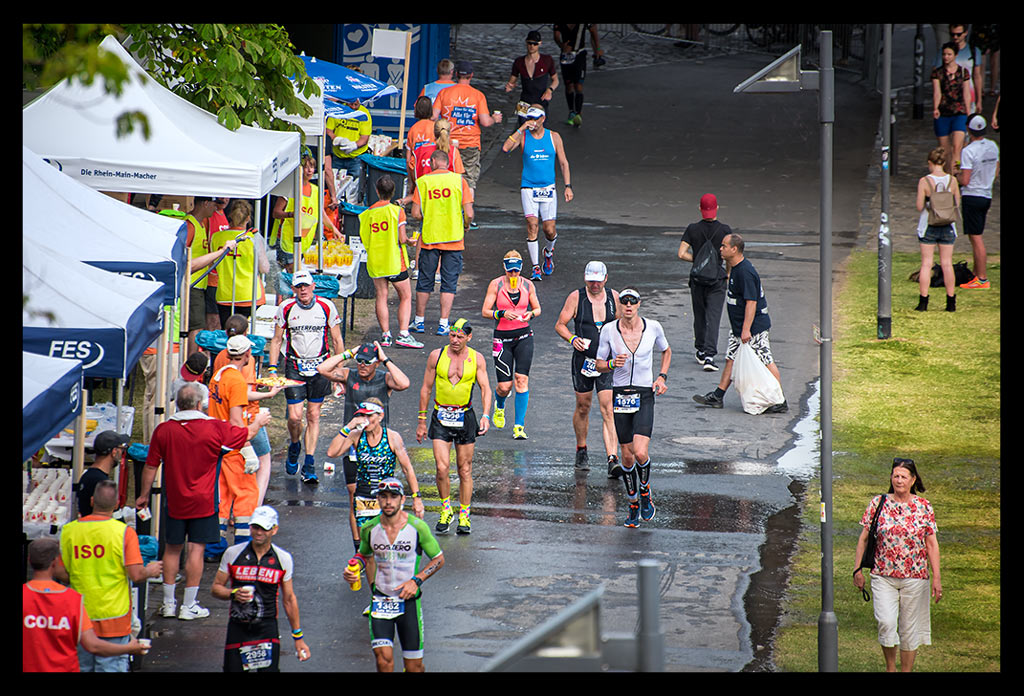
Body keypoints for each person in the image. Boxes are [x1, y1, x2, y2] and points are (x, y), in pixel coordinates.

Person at [137, 382, 271, 621]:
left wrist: (144, 494)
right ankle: (188, 605)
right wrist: (259, 421)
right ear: (199, 404)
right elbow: (245, 435)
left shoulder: (164, 430)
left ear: (178, 404)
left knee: (171, 549)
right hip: (204, 500)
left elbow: (150, 465)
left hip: (175, 499)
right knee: (196, 550)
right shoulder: (215, 428)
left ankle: (168, 603)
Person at [58, 480, 162, 671]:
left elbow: (62, 573)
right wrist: (151, 570)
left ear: (91, 501)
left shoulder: (69, 531)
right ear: (116, 505)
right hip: (115, 616)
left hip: (80, 615)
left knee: (81, 666)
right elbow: (136, 574)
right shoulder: (123, 533)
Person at [318, 341, 412, 553]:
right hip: (353, 445)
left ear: (376, 363)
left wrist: (386, 358)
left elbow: (404, 383)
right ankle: (359, 547)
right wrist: (350, 352)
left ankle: (383, 541)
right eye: (359, 361)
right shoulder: (349, 375)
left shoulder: (384, 378)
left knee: (383, 495)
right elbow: (322, 369)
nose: (361, 365)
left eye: (366, 362)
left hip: (379, 446)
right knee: (355, 498)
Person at [344, 478, 444, 673]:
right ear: (378, 500)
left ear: (402, 499)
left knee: (414, 667)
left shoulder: (417, 527)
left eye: (393, 497)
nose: (388, 502)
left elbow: (438, 559)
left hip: (408, 603)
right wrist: (353, 567)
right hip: (381, 601)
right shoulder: (369, 528)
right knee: (384, 661)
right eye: (383, 497)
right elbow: (364, 554)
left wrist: (416, 581)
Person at [853, 458, 941, 672]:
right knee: (886, 622)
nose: (899, 480)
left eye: (903, 476)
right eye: (895, 476)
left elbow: (931, 544)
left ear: (912, 480)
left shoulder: (923, 506)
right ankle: (890, 667)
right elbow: (863, 538)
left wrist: (936, 578)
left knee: (909, 629)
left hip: (915, 576)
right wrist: (857, 569)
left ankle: (906, 671)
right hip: (883, 575)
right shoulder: (878, 503)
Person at [595, 289, 671, 527]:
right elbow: (598, 364)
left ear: (639, 304)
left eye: (633, 302)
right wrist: (610, 364)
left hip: (644, 394)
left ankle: (645, 491)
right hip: (620, 395)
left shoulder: (653, 327)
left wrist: (662, 377)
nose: (628, 306)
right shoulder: (609, 330)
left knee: (640, 452)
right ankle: (633, 504)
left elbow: (666, 351)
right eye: (624, 302)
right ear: (619, 305)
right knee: (626, 458)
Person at [693, 234, 787, 413]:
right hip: (739, 328)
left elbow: (752, 302)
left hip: (753, 329)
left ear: (734, 249)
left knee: (766, 360)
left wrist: (746, 330)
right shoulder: (735, 268)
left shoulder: (745, 272)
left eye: (723, 246)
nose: (720, 249)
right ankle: (718, 396)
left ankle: (780, 400)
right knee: (731, 359)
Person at [205, 335, 280, 561]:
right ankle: (243, 547)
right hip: (234, 447)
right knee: (247, 496)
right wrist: (249, 445)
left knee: (224, 498)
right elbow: (237, 421)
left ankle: (214, 548)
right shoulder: (236, 381)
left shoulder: (218, 376)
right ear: (247, 354)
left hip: (218, 444)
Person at [23, 538, 148, 672]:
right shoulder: (72, 599)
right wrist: (128, 648)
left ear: (29, 560)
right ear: (56, 561)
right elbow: (93, 646)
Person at [268, 269, 345, 484]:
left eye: (306, 286)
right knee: (294, 417)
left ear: (313, 287)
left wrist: (338, 370)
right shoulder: (286, 308)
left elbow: (337, 340)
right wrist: (273, 368)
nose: (303, 290)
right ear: (293, 289)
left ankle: (309, 463)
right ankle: (295, 444)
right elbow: (276, 339)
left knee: (313, 415)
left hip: (321, 366)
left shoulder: (326, 306)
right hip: (294, 365)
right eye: (298, 287)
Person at [211, 505, 312, 671]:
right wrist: (233, 593)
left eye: (264, 529)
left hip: (267, 629)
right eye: (255, 527)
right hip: (238, 626)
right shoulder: (233, 553)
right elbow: (216, 588)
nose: (259, 533)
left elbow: (289, 599)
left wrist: (298, 637)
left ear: (274, 530)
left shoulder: (283, 558)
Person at [326, 396, 425, 565]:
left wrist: (417, 497)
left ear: (380, 416)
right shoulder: (356, 435)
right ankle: (369, 571)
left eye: (370, 416)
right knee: (367, 544)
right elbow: (332, 453)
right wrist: (349, 426)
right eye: (362, 416)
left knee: (389, 541)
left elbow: (407, 468)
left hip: (388, 496)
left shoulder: (392, 437)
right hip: (364, 497)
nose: (366, 420)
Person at [416, 318, 492, 535]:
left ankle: (465, 515)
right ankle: (446, 509)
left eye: (460, 336)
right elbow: (425, 388)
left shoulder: (476, 358)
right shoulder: (436, 356)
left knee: (464, 469)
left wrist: (486, 415)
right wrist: (422, 421)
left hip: (465, 417)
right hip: (441, 416)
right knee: (441, 468)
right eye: (452, 335)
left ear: (469, 337)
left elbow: (485, 388)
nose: (455, 340)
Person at [553, 261, 622, 475]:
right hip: (583, 360)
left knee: (607, 408)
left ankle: (612, 458)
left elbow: (622, 324)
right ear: (585, 279)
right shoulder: (576, 297)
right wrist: (573, 339)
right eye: (591, 281)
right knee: (583, 406)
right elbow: (560, 325)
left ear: (605, 279)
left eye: (598, 281)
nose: (595, 285)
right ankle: (581, 448)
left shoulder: (614, 298)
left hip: (606, 362)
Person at [501, 105, 573, 281]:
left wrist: (568, 186)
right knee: (532, 225)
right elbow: (505, 148)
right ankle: (535, 267)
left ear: (543, 118)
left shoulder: (553, 137)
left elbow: (564, 163)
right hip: (528, 187)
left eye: (535, 118)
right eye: (529, 118)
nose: (532, 122)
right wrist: (521, 128)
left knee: (549, 229)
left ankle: (548, 253)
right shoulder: (524, 136)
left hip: (548, 188)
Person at [214, 316, 278, 506]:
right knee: (263, 460)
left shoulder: (219, 357)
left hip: (221, 419)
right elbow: (246, 394)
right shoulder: (245, 364)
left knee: (231, 467)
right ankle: (253, 507)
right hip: (246, 418)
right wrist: (269, 395)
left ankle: (232, 507)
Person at [410, 149, 474, 336]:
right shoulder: (459, 181)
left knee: (425, 281)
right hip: (454, 239)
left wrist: (428, 217)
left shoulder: (423, 182)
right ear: (448, 164)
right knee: (449, 283)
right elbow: (469, 213)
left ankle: (419, 321)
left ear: (431, 163)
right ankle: (444, 323)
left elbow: (415, 213)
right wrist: (465, 225)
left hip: (430, 238)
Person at [480, 250, 541, 440]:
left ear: (521, 269)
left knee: (521, 380)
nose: (513, 275)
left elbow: (537, 308)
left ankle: (519, 426)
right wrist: (501, 314)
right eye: (510, 271)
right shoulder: (496, 284)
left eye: (516, 271)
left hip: (523, 335)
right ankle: (500, 405)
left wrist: (531, 314)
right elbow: (485, 311)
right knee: (504, 386)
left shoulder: (528, 285)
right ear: (505, 269)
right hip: (502, 338)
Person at [359, 174, 423, 349]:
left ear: (377, 191)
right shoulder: (397, 211)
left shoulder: (367, 214)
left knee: (381, 296)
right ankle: (403, 333)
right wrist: (409, 241)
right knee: (406, 296)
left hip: (376, 261)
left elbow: (365, 239)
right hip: (395, 260)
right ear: (393, 192)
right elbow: (401, 238)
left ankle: (385, 335)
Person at [432, 60, 504, 196]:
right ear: (471, 75)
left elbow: (433, 117)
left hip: (447, 143)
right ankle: (467, 212)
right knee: (469, 180)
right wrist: (494, 119)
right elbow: (485, 122)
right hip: (470, 144)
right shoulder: (478, 95)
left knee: (447, 177)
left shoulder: (443, 93)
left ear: (456, 74)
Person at [677, 193, 731, 371]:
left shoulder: (692, 229)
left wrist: (700, 261)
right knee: (713, 317)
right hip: (717, 279)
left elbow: (681, 253)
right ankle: (709, 356)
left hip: (698, 279)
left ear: (700, 209)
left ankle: (700, 349)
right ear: (717, 208)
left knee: (699, 315)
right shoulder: (724, 230)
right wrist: (727, 273)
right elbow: (729, 256)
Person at [271, 149, 337, 270]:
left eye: (312, 167)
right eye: (306, 167)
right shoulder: (290, 188)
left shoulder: (316, 190)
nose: (310, 170)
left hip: (305, 242)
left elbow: (321, 214)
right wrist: (291, 214)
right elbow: (276, 213)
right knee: (290, 274)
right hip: (288, 240)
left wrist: (334, 230)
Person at [914, 148, 962, 312]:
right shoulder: (952, 181)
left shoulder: (924, 182)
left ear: (930, 163)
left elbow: (919, 206)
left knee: (926, 264)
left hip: (929, 224)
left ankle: (923, 301)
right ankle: (950, 302)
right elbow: (957, 203)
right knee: (947, 264)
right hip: (948, 225)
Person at [956, 114, 999, 290]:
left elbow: (965, 179)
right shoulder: (992, 146)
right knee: (977, 234)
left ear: (968, 129)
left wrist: (955, 175)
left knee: (976, 237)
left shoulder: (968, 151)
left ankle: (982, 278)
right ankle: (976, 274)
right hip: (986, 194)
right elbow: (996, 169)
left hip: (972, 195)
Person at [211, 200, 269, 326]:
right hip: (250, 293)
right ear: (248, 218)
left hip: (225, 293)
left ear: (230, 216)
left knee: (228, 331)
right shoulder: (253, 238)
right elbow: (265, 268)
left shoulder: (216, 237)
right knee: (247, 333)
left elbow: (213, 267)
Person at [932, 41, 974, 174]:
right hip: (944, 112)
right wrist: (935, 108)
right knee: (945, 150)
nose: (946, 57)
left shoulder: (963, 72)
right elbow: (937, 92)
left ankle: (955, 175)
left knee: (957, 147)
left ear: (955, 55)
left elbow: (966, 93)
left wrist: (968, 111)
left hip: (959, 112)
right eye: (944, 54)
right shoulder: (937, 73)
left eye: (949, 54)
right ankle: (947, 175)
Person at [552, 24, 603, 128]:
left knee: (578, 85)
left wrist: (597, 50)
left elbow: (594, 32)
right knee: (569, 85)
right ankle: (571, 111)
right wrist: (562, 45)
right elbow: (556, 36)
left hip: (580, 54)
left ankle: (578, 114)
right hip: (566, 55)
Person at [505, 30, 560, 125]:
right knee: (522, 129)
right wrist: (510, 86)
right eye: (530, 43)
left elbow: (555, 80)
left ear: (539, 44)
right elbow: (512, 80)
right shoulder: (519, 62)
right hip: (524, 101)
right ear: (526, 43)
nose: (532, 46)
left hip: (541, 101)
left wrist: (549, 90)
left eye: (535, 44)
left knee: (540, 130)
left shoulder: (547, 60)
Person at [77, 430, 128, 518]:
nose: (122, 453)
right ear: (114, 451)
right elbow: (116, 519)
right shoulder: (103, 485)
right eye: (122, 449)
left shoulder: (87, 476)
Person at [327, 98, 372, 184]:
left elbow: (364, 138)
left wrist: (354, 145)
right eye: (351, 104)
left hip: (355, 158)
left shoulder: (364, 113)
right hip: (337, 156)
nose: (353, 107)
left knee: (354, 186)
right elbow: (328, 130)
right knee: (334, 183)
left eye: (356, 105)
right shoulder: (338, 110)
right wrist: (337, 139)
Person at [205, 197, 231, 331]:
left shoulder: (223, 214)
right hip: (211, 276)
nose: (225, 199)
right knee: (214, 321)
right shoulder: (210, 215)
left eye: (228, 196)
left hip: (223, 278)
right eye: (222, 195)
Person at [948, 24, 984, 113]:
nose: (955, 37)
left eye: (958, 34)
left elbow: (977, 76)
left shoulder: (974, 51)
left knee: (967, 124)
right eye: (952, 34)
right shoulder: (945, 52)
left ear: (965, 33)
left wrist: (979, 100)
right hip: (949, 98)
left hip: (969, 95)